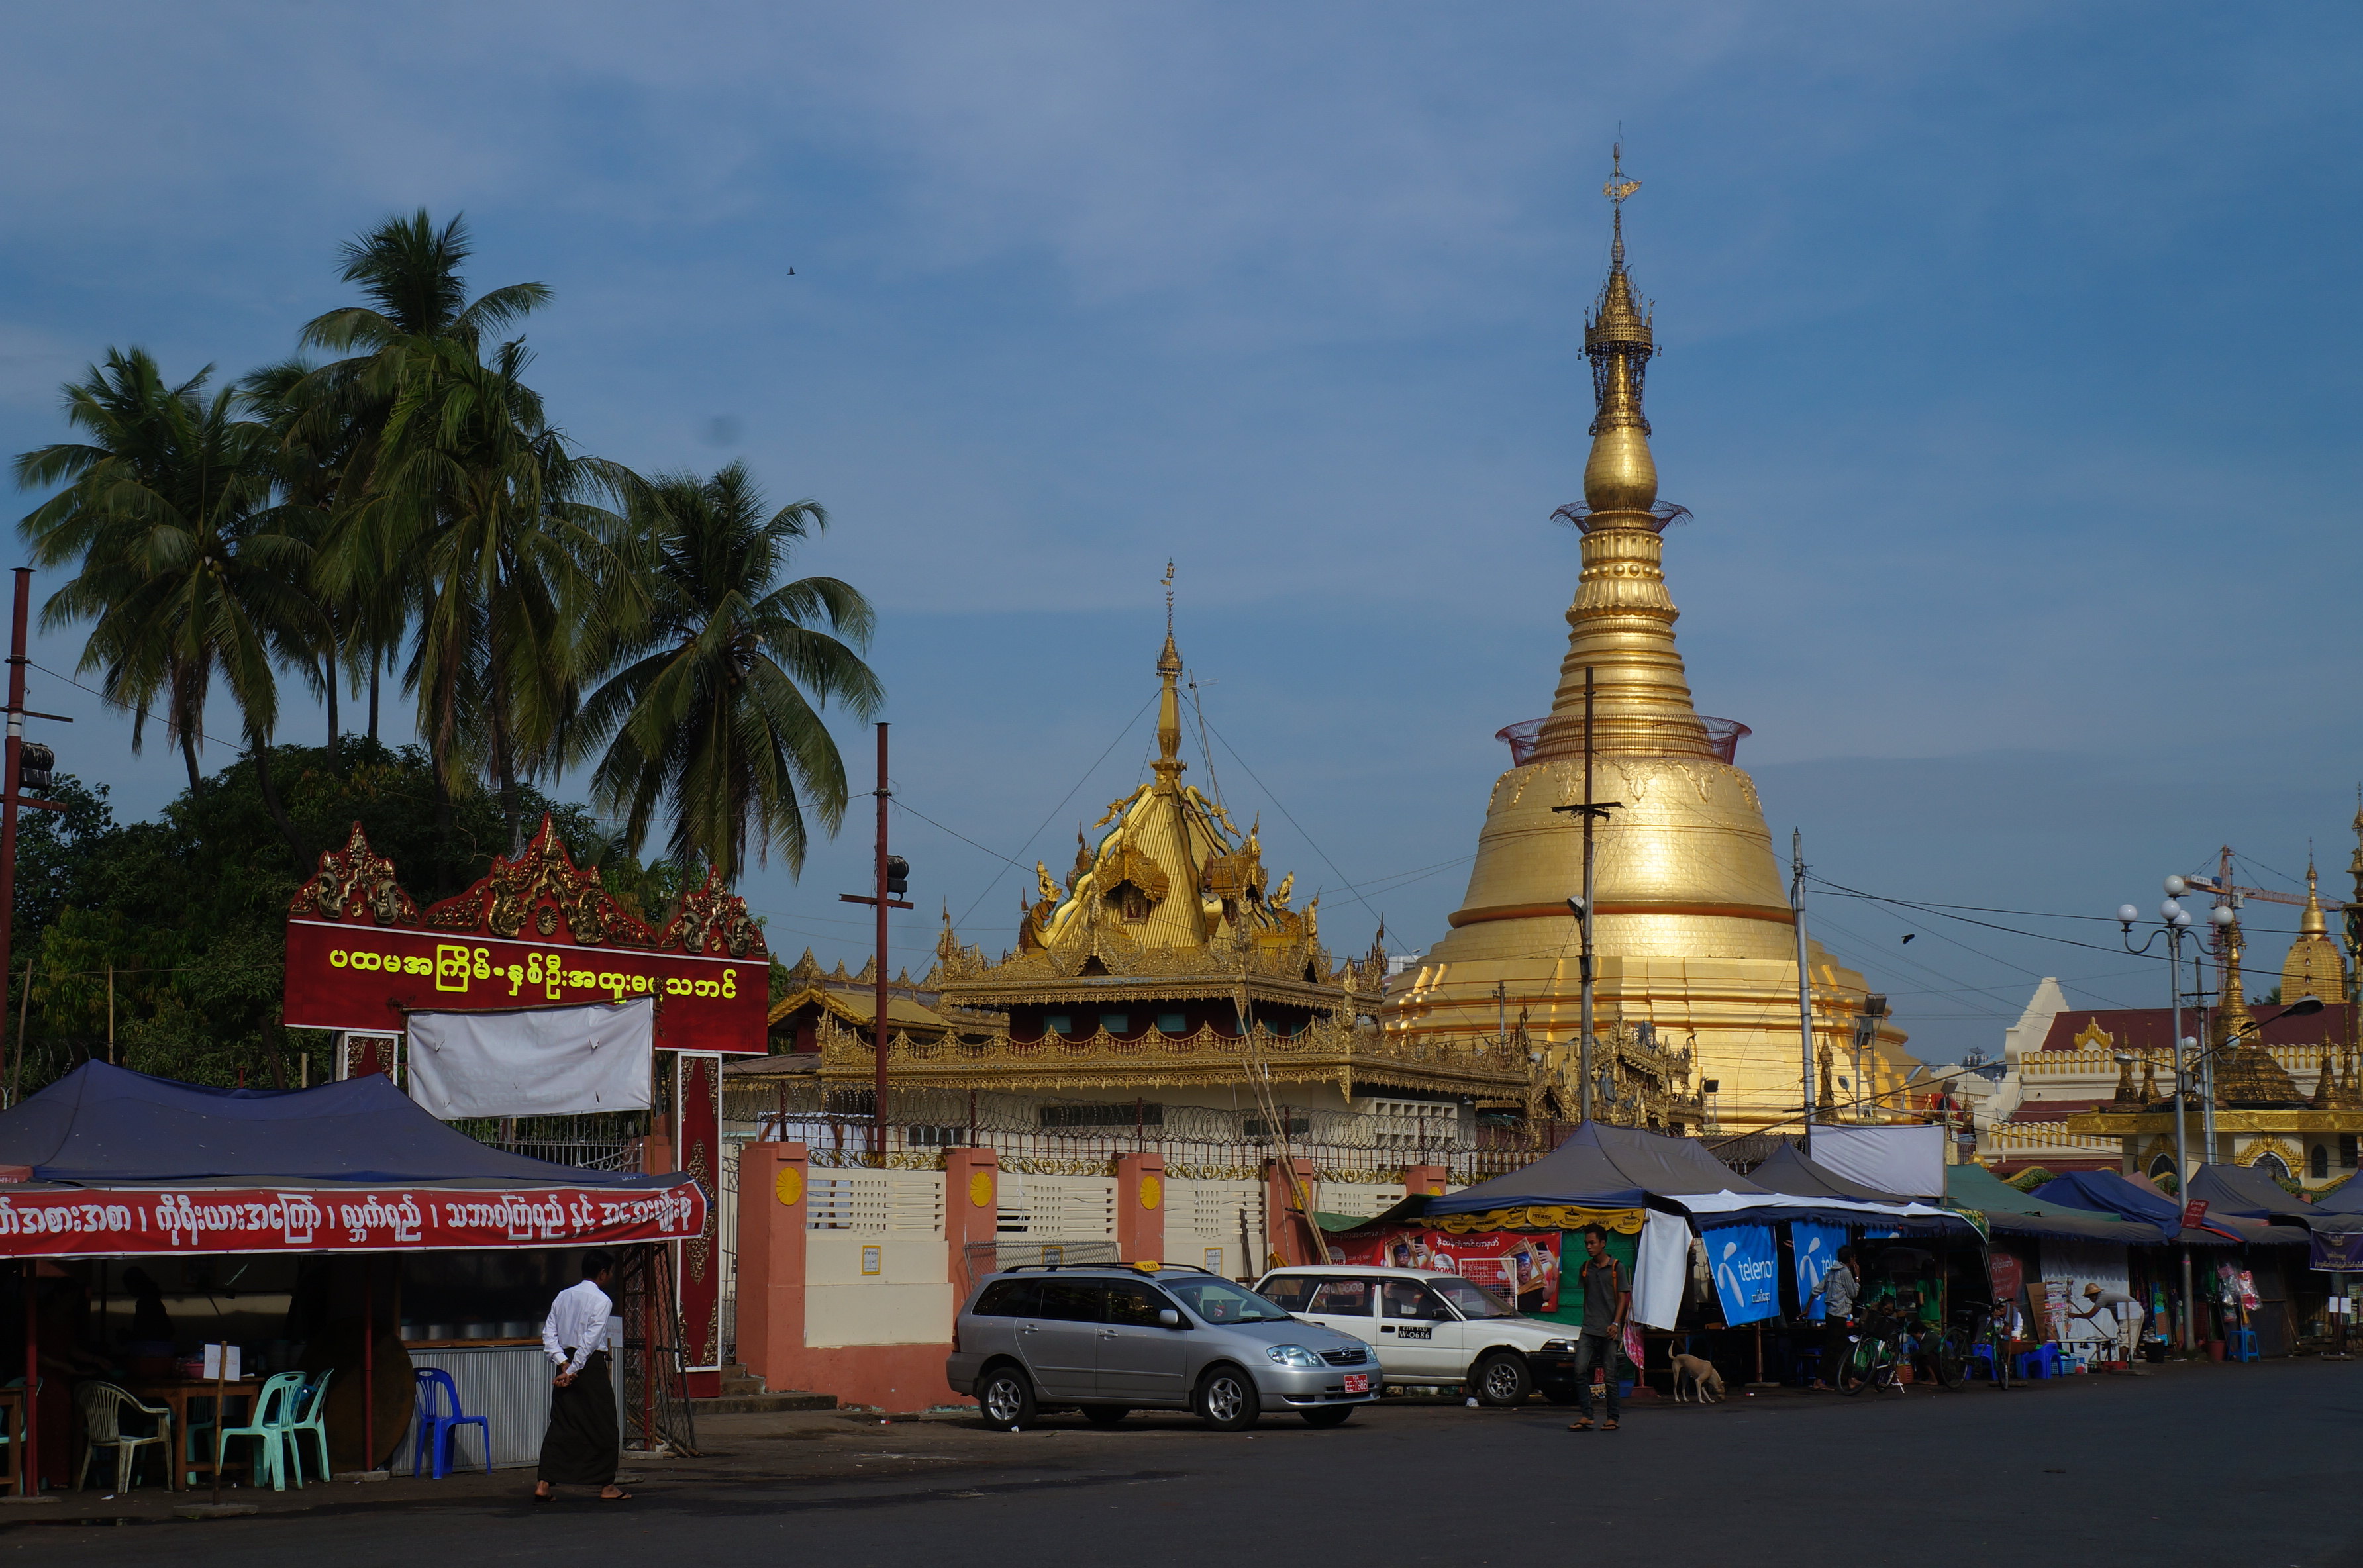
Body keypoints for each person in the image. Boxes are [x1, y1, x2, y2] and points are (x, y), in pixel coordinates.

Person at [535, 1250, 628, 1502]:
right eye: (609, 1272)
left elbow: (549, 1335)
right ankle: (607, 1486)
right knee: (605, 1424)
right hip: (588, 1367)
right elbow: (590, 1340)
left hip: (565, 1363)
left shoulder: (563, 1296)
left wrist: (563, 1364)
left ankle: (544, 1483)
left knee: (563, 1422)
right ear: (602, 1273)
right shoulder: (601, 1300)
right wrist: (574, 1370)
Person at [1565, 1226, 1629, 1433]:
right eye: (1586, 1243)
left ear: (1603, 1243)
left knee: (1610, 1376)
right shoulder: (1586, 1267)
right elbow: (1588, 1296)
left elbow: (1623, 1297)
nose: (1589, 1247)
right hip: (1589, 1329)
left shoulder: (1616, 1267)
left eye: (1592, 1243)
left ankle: (1613, 1418)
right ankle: (1587, 1415)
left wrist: (1616, 1324)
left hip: (1610, 1330)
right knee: (1579, 1369)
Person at [1809, 1246, 1859, 1392]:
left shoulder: (1831, 1272)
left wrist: (1807, 1309)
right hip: (1838, 1316)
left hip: (1831, 1315)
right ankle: (1821, 1381)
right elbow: (1853, 1293)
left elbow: (1815, 1290)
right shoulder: (1845, 1273)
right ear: (1851, 1259)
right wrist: (1857, 1276)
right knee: (1834, 1349)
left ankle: (1850, 1379)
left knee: (1840, 1347)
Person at [2072, 1283, 2147, 1373]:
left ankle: (2122, 1366)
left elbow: (2090, 1315)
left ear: (2094, 1295)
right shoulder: (2108, 1298)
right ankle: (2131, 1358)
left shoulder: (2102, 1298)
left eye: (2090, 1298)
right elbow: (2115, 1313)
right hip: (2135, 1310)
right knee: (2127, 1337)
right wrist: (2120, 1326)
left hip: (2132, 1311)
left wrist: (2074, 1315)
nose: (2091, 1300)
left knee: (2123, 1340)